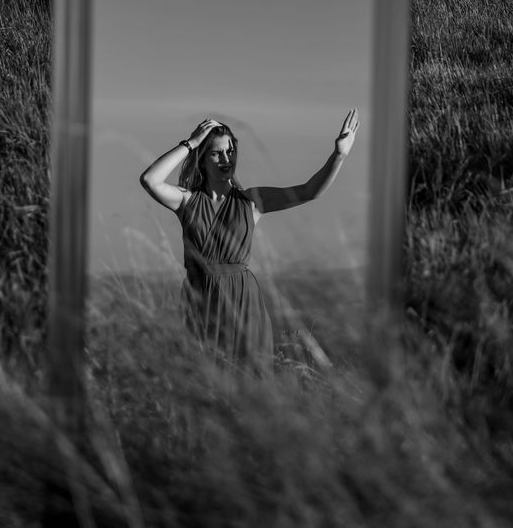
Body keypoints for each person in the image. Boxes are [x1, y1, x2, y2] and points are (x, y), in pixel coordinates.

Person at [139, 111, 360, 373]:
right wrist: (191, 143)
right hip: (201, 299)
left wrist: (339, 155)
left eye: (230, 151)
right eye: (216, 153)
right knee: (205, 382)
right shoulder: (186, 201)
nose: (226, 159)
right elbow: (150, 180)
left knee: (250, 381)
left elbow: (308, 191)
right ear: (201, 159)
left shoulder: (251, 201)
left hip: (244, 301)